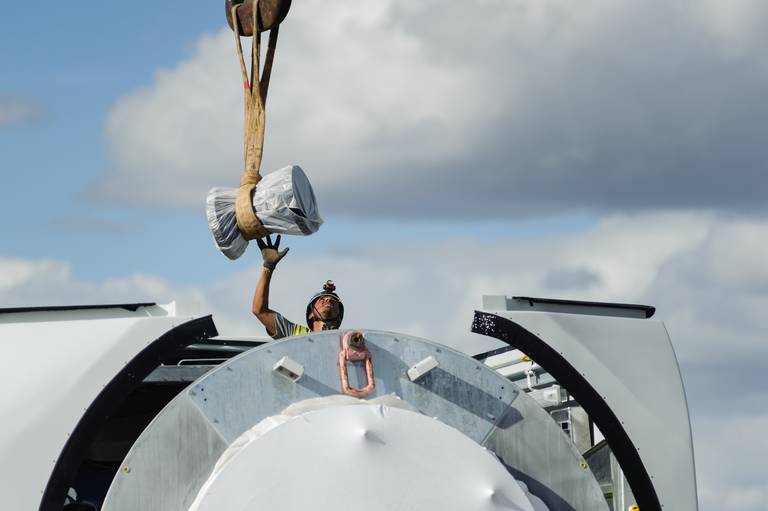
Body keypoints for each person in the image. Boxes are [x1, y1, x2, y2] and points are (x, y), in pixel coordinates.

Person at [252, 235, 344, 339]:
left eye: (333, 301)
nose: (327, 299)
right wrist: (268, 267)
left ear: (339, 317)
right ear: (310, 314)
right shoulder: (294, 334)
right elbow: (260, 311)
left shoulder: (347, 341)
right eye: (321, 299)